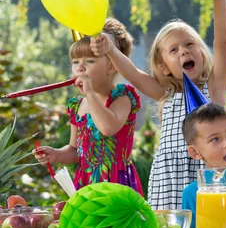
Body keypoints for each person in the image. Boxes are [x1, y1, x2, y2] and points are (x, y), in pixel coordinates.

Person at [91, 0, 226, 209]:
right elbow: (133, 74)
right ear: (164, 67)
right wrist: (111, 51)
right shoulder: (164, 94)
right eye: (174, 50)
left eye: (189, 44)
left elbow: (222, 41)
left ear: (201, 52)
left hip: (207, 175)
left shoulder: (214, 87)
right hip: (167, 180)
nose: (184, 51)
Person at [34, 18, 144, 196]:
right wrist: (55, 154)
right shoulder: (78, 105)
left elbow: (108, 128)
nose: (80, 67)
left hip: (117, 184)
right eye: (75, 62)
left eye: (90, 61)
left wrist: (90, 94)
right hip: (86, 185)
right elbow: (75, 151)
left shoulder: (122, 96)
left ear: (111, 66)